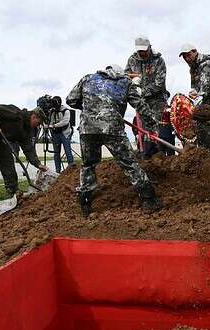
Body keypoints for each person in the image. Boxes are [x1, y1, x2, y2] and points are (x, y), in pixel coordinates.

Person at [66, 64, 162, 216]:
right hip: (113, 129)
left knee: (88, 165)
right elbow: (141, 106)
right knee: (130, 164)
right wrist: (152, 127)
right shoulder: (125, 82)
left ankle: (85, 203)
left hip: (87, 129)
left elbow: (70, 100)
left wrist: (91, 109)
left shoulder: (88, 78)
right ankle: (149, 199)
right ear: (120, 73)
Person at [125, 35, 169, 135]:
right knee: (144, 129)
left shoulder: (158, 60)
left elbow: (159, 83)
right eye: (140, 51)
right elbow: (126, 77)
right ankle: (147, 149)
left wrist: (142, 92)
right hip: (141, 102)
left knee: (157, 127)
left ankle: (159, 149)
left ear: (149, 47)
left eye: (144, 50)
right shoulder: (132, 60)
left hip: (157, 101)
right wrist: (133, 83)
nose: (142, 53)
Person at [46, 96, 75, 173]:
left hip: (65, 133)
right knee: (56, 153)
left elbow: (65, 122)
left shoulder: (66, 110)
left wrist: (54, 125)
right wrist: (49, 125)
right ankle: (57, 170)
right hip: (55, 134)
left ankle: (71, 170)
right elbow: (51, 121)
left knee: (68, 152)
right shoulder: (52, 111)